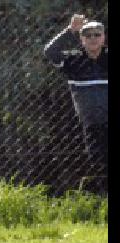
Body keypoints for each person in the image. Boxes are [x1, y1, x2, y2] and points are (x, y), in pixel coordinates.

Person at [44, 15, 108, 170]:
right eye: (88, 35)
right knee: (98, 164)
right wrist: (70, 30)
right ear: (82, 38)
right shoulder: (73, 60)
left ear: (103, 37)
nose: (92, 38)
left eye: (97, 34)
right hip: (90, 123)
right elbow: (50, 52)